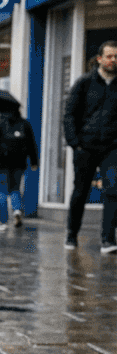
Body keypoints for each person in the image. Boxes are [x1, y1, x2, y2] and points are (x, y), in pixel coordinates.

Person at [62, 40, 117, 250]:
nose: (114, 60)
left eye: (116, 57)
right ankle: (71, 234)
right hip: (85, 146)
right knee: (80, 191)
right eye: (110, 56)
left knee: (113, 189)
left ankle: (108, 239)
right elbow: (69, 115)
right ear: (99, 59)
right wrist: (74, 143)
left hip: (112, 148)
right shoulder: (84, 83)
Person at [0, 104, 38, 231]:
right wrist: (33, 161)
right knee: (15, 188)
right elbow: (31, 143)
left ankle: (3, 221)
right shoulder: (25, 124)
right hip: (19, 163)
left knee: (2, 192)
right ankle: (16, 210)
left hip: (1, 164)